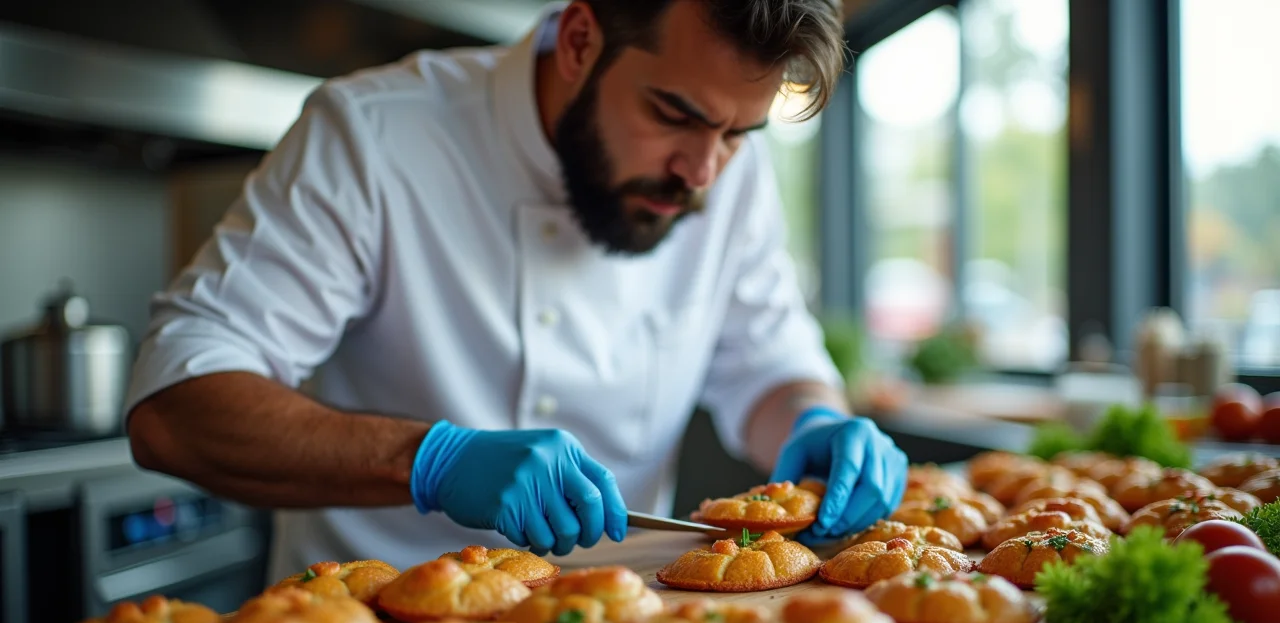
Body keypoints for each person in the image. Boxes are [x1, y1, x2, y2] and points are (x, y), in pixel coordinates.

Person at [124, 0, 908, 580]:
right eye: (673, 114)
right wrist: (427, 459)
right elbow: (174, 404)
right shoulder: (374, 135)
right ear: (578, 41)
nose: (701, 173)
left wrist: (813, 419)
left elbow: (768, 366)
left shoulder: (725, 174)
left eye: (739, 134)